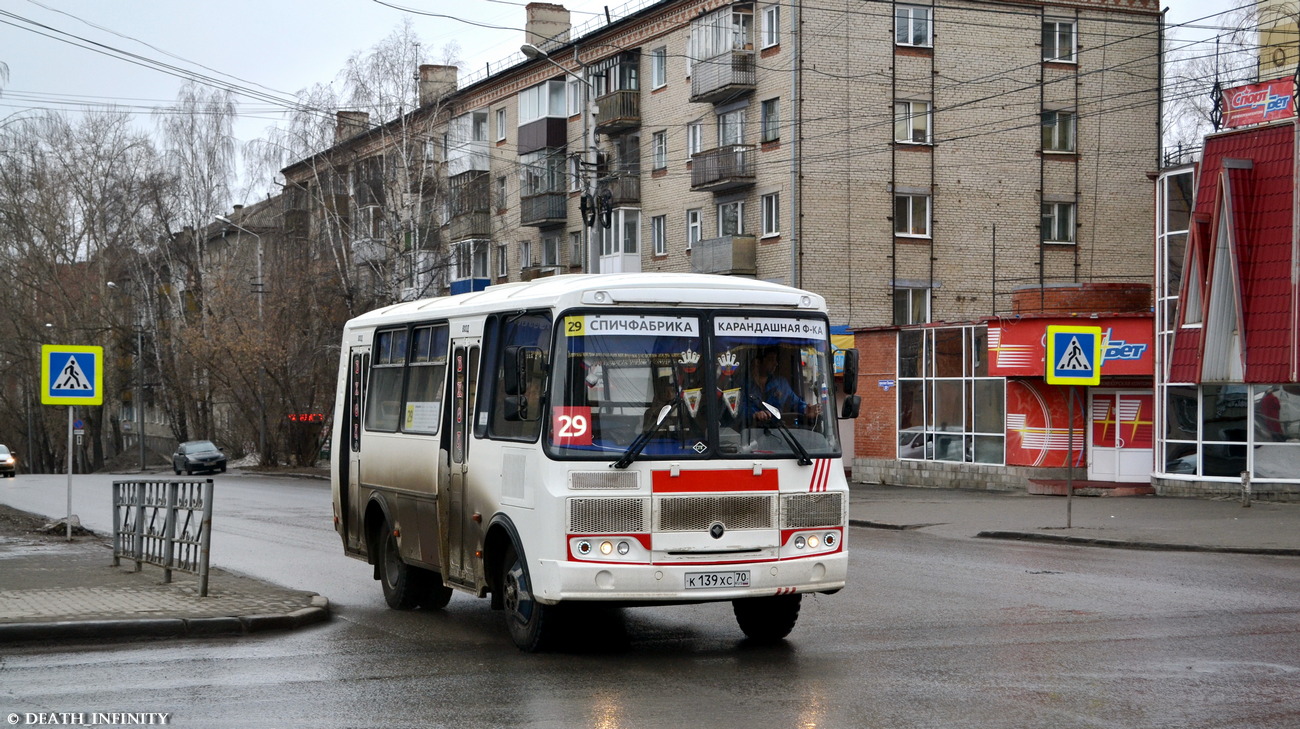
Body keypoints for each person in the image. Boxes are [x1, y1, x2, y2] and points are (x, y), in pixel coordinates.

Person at [741, 347, 820, 425]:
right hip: (750, 432)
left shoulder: (781, 384)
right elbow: (739, 410)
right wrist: (754, 415)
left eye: (775, 360)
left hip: (777, 432)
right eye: (771, 360)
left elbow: (796, 403)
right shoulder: (745, 385)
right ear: (757, 362)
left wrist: (806, 409)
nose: (775, 363)